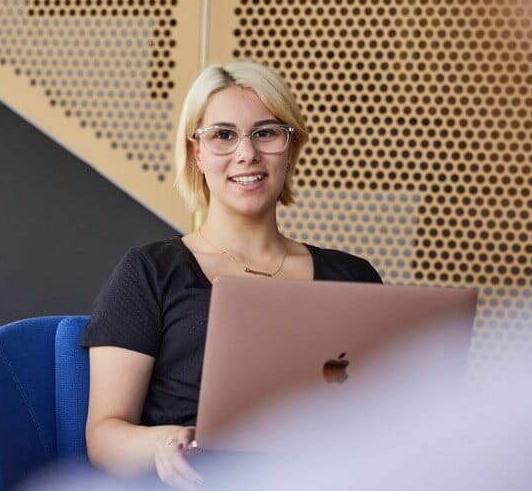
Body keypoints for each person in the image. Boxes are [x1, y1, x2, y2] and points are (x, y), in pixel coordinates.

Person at [80, 61, 382, 489]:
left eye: (266, 133)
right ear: (196, 154)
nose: (247, 153)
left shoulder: (354, 278)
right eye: (223, 135)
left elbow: (386, 416)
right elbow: (104, 437)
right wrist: (164, 442)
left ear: (291, 148)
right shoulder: (150, 272)